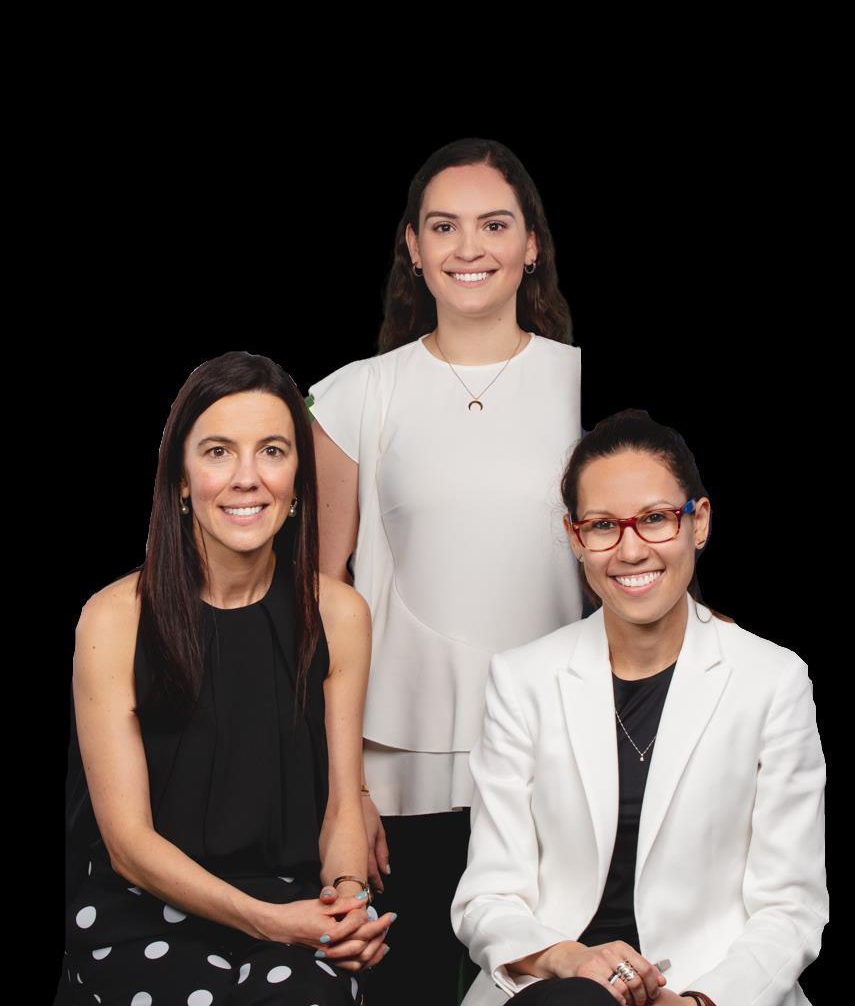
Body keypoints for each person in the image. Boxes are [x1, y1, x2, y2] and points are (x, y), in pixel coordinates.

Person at [308, 138, 583, 1001]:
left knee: (548, 984)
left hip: (559, 749)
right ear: (413, 247)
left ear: (530, 245)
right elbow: (322, 598)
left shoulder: (581, 386)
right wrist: (345, 788)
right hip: (400, 761)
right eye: (443, 226)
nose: (469, 247)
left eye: (493, 225)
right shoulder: (349, 395)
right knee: (414, 985)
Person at [451, 408, 827, 1005]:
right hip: (556, 986)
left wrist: (700, 1001)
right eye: (603, 525)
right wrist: (571, 960)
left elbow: (791, 908)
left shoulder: (772, 680)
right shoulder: (522, 680)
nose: (630, 550)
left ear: (699, 522)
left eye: (654, 519)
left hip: (713, 989)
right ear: (576, 538)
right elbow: (487, 899)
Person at [56, 351, 395, 1005]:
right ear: (181, 481)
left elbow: (341, 807)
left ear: (297, 480)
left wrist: (348, 902)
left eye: (272, 451)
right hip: (142, 909)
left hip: (295, 900)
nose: (247, 478)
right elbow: (128, 845)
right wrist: (269, 922)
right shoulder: (113, 619)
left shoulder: (339, 614)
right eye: (218, 452)